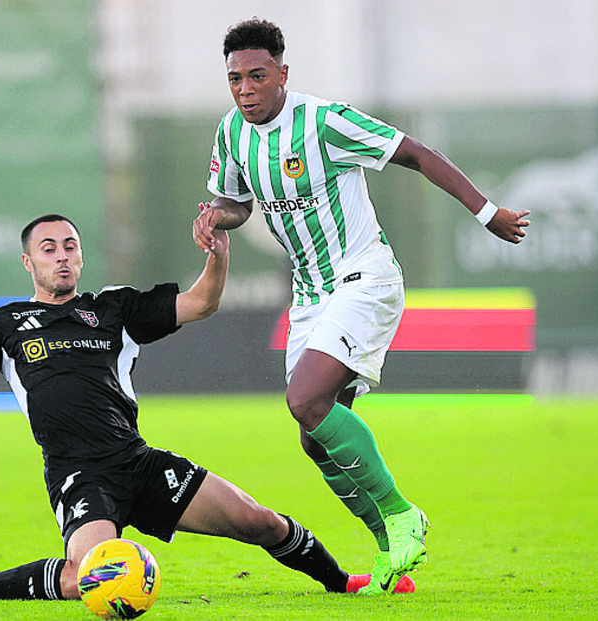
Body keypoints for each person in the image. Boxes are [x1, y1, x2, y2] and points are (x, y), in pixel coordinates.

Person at [193, 18, 532, 594]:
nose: (245, 88)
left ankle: (402, 514)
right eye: (234, 79)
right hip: (309, 293)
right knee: (312, 435)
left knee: (305, 399)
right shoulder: (232, 134)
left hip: (363, 277)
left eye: (256, 76)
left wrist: (487, 211)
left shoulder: (324, 121)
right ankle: (390, 547)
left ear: (282, 73)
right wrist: (214, 217)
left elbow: (419, 154)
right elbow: (236, 201)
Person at [0, 213, 412, 604]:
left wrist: (217, 256)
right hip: (80, 475)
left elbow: (200, 303)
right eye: (49, 249)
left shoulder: (113, 308)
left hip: (138, 462)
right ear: (28, 262)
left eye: (70, 246)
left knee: (261, 522)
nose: (62, 257)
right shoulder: (8, 323)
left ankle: (343, 582)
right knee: (85, 577)